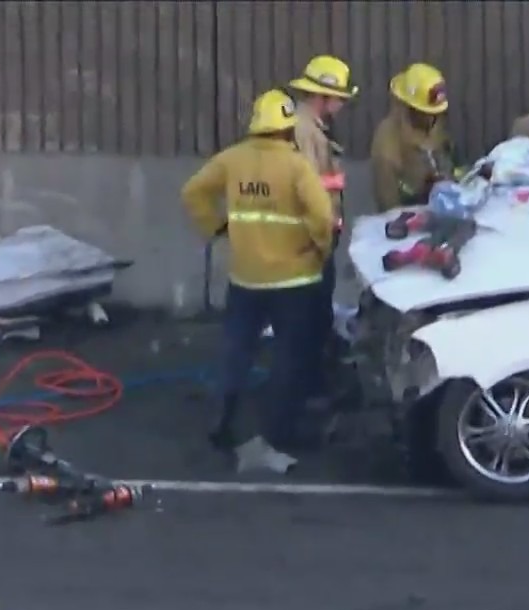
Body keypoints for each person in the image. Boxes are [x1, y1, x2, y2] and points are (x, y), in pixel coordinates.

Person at [180, 88, 333, 475]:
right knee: (289, 359)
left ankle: (222, 423)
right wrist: (320, 249)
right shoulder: (296, 166)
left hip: (245, 278)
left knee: (236, 353)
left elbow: (193, 192)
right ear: (287, 128)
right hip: (295, 280)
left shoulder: (233, 159)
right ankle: (279, 434)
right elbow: (322, 216)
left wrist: (216, 226)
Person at [287, 55, 355, 405]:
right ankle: (306, 392)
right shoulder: (304, 130)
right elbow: (308, 188)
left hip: (319, 236)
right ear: (321, 95)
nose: (342, 104)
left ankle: (310, 384)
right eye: (338, 97)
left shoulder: (314, 127)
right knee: (309, 317)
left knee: (317, 313)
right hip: (310, 239)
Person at [370, 63, 456, 214]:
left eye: (436, 113)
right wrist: (421, 192)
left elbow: (447, 160)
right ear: (410, 108)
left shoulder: (434, 122)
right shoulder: (387, 144)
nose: (433, 119)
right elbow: (389, 208)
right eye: (426, 113)